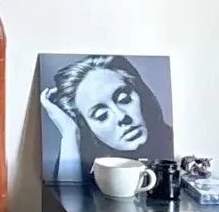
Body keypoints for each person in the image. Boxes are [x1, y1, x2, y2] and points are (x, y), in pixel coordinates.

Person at [41, 55, 173, 174]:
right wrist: (70, 132)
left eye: (124, 99)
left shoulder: (173, 146)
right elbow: (68, 196)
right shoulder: (84, 166)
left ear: (141, 94)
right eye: (102, 115)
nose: (121, 116)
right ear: (86, 126)